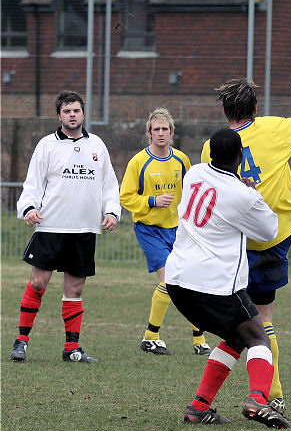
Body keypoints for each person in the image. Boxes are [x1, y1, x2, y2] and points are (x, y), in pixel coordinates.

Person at [200, 76, 291, 415]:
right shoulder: (272, 129)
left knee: (242, 323)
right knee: (260, 320)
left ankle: (246, 394)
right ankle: (272, 395)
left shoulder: (213, 146)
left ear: (225, 112)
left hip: (237, 241)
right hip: (278, 233)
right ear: (255, 108)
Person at [165, 128, 291, 429]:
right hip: (214, 283)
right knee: (258, 338)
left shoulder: (194, 174)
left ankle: (199, 407)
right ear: (240, 157)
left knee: (235, 337)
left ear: (210, 155)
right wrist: (254, 195)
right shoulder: (242, 195)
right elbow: (268, 231)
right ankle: (258, 399)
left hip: (177, 280)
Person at [10, 90, 120, 363]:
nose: (73, 115)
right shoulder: (47, 145)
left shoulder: (97, 145)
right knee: (38, 283)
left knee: (75, 289)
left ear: (83, 114)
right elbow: (33, 183)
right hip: (51, 226)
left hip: (84, 229)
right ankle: (21, 341)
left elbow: (109, 184)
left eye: (77, 110)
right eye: (67, 111)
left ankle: (72, 348)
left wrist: (112, 212)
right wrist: (29, 208)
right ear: (59, 116)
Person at [120, 108, 211, 357]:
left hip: (179, 230)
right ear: (149, 133)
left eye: (165, 129)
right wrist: (151, 201)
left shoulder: (181, 160)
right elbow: (126, 197)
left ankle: (198, 338)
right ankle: (151, 336)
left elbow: (192, 191)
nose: (161, 133)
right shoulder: (139, 162)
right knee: (169, 280)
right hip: (149, 230)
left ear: (172, 133)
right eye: (156, 129)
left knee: (190, 280)